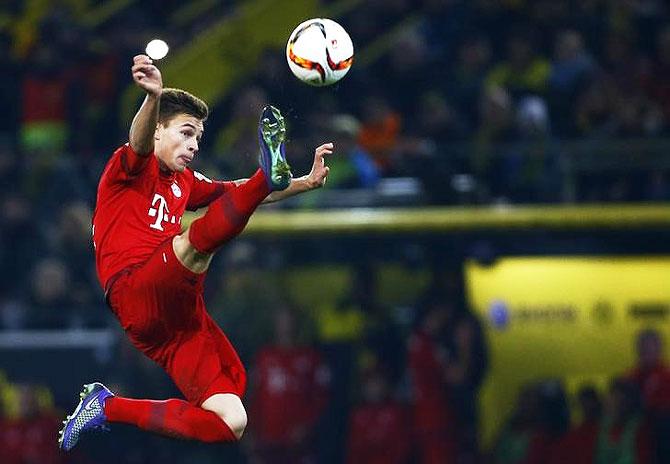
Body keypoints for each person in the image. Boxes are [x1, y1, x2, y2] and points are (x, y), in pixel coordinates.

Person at [58, 54, 333, 450]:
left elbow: (235, 193)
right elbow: (138, 139)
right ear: (157, 132)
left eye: (198, 139)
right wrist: (152, 97)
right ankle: (266, 173)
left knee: (232, 421)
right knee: (192, 247)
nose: (193, 145)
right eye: (185, 134)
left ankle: (106, 407)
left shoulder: (184, 181)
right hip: (136, 290)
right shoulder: (129, 166)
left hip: (176, 325)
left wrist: (304, 183)